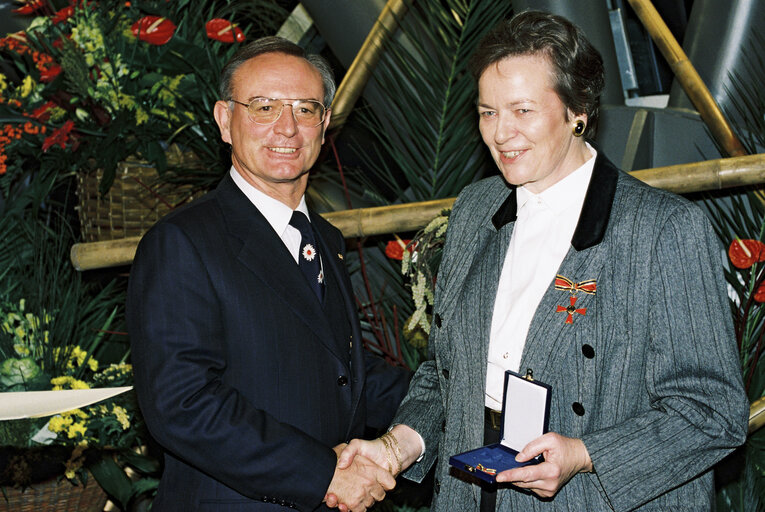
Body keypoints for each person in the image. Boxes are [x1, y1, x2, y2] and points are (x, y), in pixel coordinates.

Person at [334, 10, 749, 511]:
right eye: (488, 112)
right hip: (472, 496)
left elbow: (713, 412)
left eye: (522, 110)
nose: (501, 133)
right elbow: (449, 372)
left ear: (578, 110)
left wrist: (585, 453)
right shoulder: (475, 210)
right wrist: (394, 447)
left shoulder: (662, 231)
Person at [127, 36, 410, 511]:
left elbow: (342, 373)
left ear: (324, 124)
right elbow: (183, 404)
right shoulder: (182, 242)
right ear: (224, 121)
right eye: (263, 107)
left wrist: (456, 395)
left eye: (305, 109)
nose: (287, 128)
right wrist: (323, 475)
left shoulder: (325, 238)